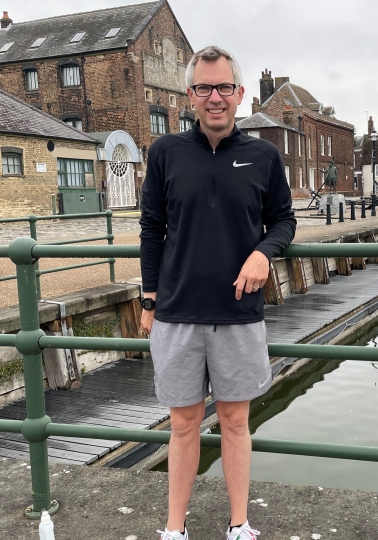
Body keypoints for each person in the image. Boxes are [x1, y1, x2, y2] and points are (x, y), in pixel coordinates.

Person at [139, 45, 296, 540]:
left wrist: (263, 252)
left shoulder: (264, 156)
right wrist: (149, 299)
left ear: (239, 94)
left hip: (238, 314)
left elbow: (284, 220)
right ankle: (174, 528)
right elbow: (151, 229)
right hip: (178, 312)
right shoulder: (165, 152)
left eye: (224, 87)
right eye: (204, 87)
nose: (214, 97)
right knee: (182, 424)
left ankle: (238, 524)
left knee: (234, 421)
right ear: (190, 94)